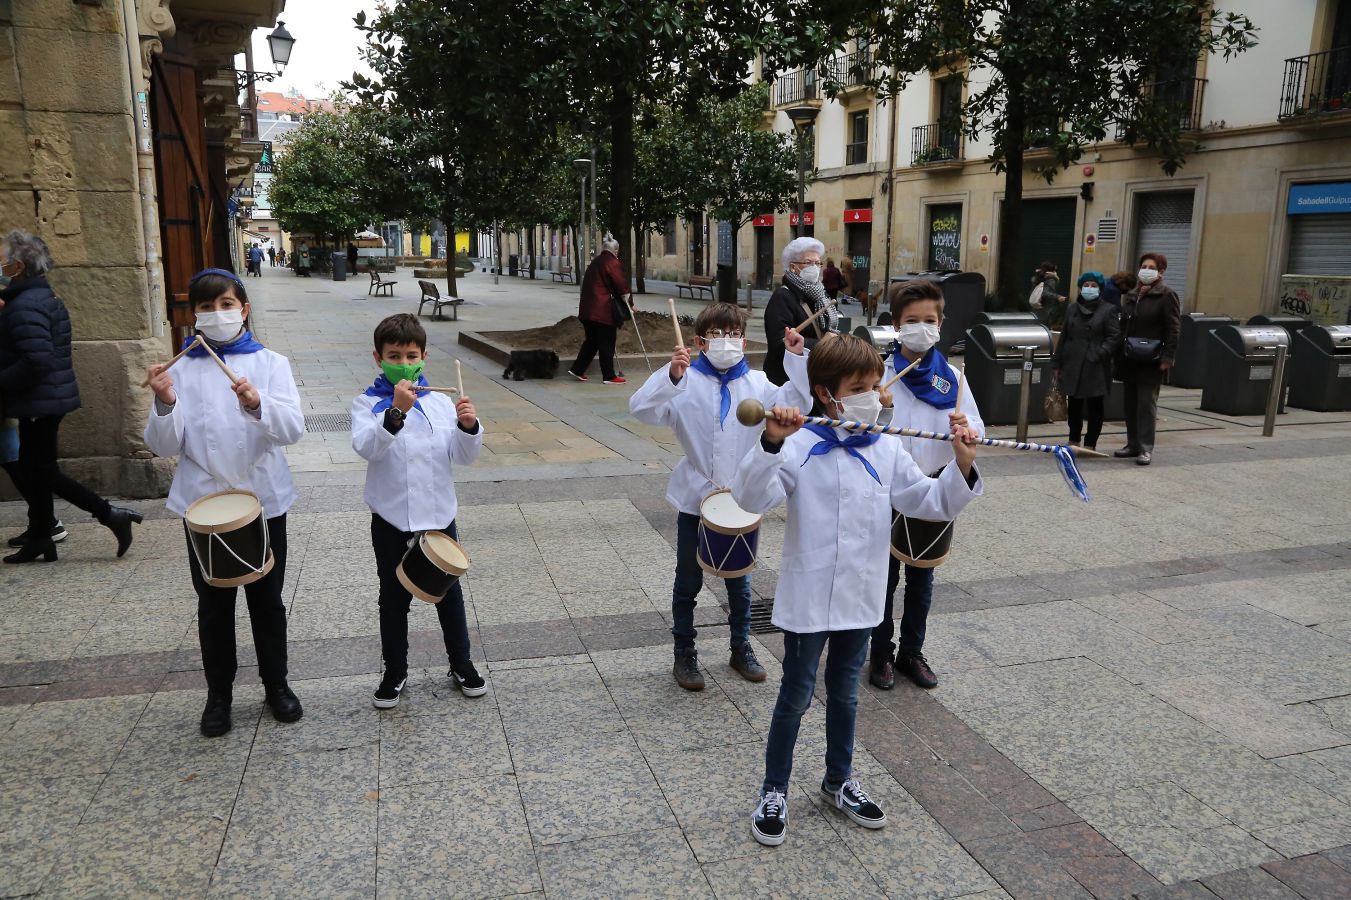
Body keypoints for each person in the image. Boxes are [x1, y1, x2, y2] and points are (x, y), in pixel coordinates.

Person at [732, 333, 983, 847]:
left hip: (862, 597)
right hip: (809, 598)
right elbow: (750, 497)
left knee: (845, 692)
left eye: (875, 384)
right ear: (826, 394)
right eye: (861, 387)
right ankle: (773, 789)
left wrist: (960, 463)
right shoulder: (800, 444)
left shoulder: (887, 448)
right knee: (796, 696)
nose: (875, 395)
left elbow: (928, 502)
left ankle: (838, 780)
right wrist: (772, 443)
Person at [144, 267, 305, 736]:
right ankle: (219, 695)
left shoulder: (272, 363)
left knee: (267, 600)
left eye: (226, 304)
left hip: (262, 500)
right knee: (214, 605)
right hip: (204, 504)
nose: (217, 314)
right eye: (207, 307)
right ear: (194, 314)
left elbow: (292, 430)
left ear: (244, 309)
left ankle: (277, 684)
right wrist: (165, 404)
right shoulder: (181, 367)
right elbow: (164, 447)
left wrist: (257, 406)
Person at [629, 302, 811, 691]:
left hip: (742, 498)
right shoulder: (685, 382)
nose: (726, 342)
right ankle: (684, 652)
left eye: (733, 335)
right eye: (717, 335)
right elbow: (640, 409)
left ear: (744, 341)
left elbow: (799, 405)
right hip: (696, 497)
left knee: (740, 581)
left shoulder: (761, 385)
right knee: (687, 579)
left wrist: (795, 357)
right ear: (699, 342)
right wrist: (671, 375)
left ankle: (740, 645)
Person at [352, 313, 487, 709]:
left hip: (439, 518)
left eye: (411, 354)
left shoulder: (442, 404)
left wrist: (468, 426)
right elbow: (368, 448)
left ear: (424, 356)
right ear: (378, 358)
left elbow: (462, 457)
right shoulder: (367, 403)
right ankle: (395, 671)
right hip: (391, 519)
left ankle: (461, 663)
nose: (403, 362)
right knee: (393, 597)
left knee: (449, 593)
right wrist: (395, 412)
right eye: (394, 355)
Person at [869, 280, 984, 691]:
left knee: (922, 579)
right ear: (897, 326)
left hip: (934, 486)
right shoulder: (879, 375)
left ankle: (911, 653)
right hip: (885, 486)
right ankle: (879, 652)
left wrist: (965, 427)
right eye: (911, 321)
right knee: (882, 578)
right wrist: (877, 405)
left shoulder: (952, 377)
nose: (921, 327)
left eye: (929, 321)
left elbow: (977, 426)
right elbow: (856, 426)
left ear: (940, 324)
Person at [0, 230, 141, 564]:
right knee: (37, 469)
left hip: (39, 400)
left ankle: (110, 515)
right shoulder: (39, 297)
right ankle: (39, 537)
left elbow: (37, 359)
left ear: (17, 266)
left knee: (43, 472)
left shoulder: (25, 305)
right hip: (43, 398)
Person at [1115, 252, 1180, 466]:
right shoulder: (1132, 294)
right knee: (1130, 403)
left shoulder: (1167, 295)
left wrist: (1167, 357)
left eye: (1152, 267)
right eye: (1144, 266)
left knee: (1146, 404)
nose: (1147, 270)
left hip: (1152, 359)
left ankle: (1145, 448)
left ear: (1161, 271)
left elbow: (1173, 329)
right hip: (1130, 357)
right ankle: (1132, 444)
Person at [1053, 272, 1121, 452]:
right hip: (1072, 362)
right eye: (1086, 285)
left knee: (1094, 406)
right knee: (1074, 405)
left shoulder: (1109, 310)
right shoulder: (1072, 309)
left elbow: (1114, 337)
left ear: (1100, 288)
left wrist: (1100, 354)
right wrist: (1057, 363)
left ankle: (1090, 443)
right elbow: (1065, 336)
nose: (1089, 288)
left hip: (1095, 366)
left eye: (1093, 285)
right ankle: (1073, 440)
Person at [763, 237, 838, 386]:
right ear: (792, 267)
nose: (815, 267)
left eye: (818, 263)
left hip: (814, 377)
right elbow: (779, 345)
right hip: (787, 381)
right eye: (809, 262)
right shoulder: (782, 297)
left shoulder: (820, 295)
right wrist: (822, 344)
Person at [566, 235, 631, 385]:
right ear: (615, 250)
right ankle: (609, 376)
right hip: (603, 311)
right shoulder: (612, 262)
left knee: (592, 341)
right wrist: (629, 302)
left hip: (587, 311)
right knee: (607, 342)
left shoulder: (596, 262)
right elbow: (621, 285)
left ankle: (577, 369)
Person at [1030, 261, 1066, 328]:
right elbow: (1046, 293)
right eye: (1055, 269)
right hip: (1045, 311)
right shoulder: (1051, 280)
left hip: (1036, 309)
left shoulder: (1037, 278)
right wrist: (1058, 297)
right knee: (1044, 331)